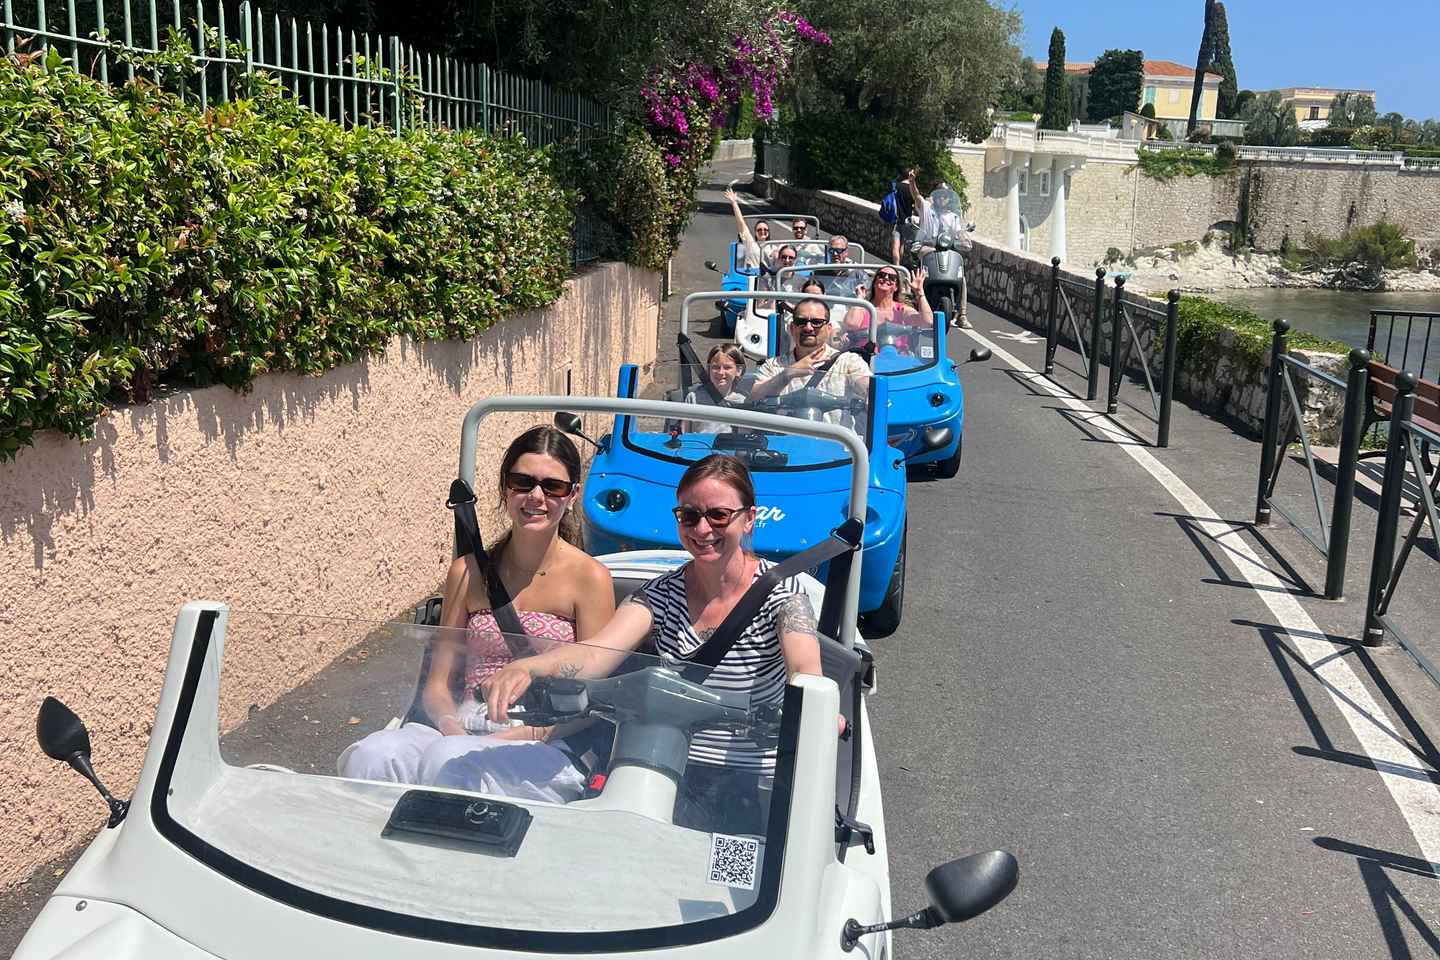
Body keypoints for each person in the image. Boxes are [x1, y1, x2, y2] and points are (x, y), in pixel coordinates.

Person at [482, 455, 825, 832]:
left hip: (748, 783)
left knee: (730, 866)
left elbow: (805, 669)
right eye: (689, 516)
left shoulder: (782, 595)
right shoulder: (660, 595)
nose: (703, 528)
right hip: (666, 771)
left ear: (749, 519)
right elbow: (597, 653)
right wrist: (529, 667)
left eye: (719, 515)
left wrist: (815, 703)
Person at [337, 426, 615, 801]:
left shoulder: (590, 578)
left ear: (573, 494)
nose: (536, 496)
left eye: (553, 487)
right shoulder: (468, 573)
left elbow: (593, 697)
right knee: (374, 755)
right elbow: (437, 684)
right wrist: (450, 724)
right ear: (505, 488)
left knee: (451, 761)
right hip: (464, 723)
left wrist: (518, 735)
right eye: (523, 482)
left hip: (545, 737)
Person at [750, 298, 871, 428]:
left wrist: (867, 392)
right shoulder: (772, 365)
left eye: (816, 322)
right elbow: (753, 400)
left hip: (834, 440)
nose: (808, 328)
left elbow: (869, 388)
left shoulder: (848, 361)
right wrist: (787, 374)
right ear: (792, 328)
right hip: (785, 440)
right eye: (801, 322)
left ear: (829, 328)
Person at [915, 182, 973, 329]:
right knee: (920, 270)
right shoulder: (928, 210)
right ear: (935, 197)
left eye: (945, 196)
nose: (942, 199)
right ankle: (916, 300)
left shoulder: (953, 217)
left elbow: (959, 232)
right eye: (940, 196)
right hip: (929, 247)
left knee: (961, 277)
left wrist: (963, 238)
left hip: (947, 249)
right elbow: (916, 197)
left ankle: (962, 315)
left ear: (949, 199)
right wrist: (912, 182)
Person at [845, 266, 933, 356]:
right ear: (874, 282)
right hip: (864, 359)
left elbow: (928, 322)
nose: (886, 278)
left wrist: (919, 293)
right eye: (881, 275)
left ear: (896, 287)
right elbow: (851, 325)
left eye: (892, 278)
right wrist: (860, 298)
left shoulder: (902, 310)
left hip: (898, 359)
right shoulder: (865, 308)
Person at [684, 344, 747, 434]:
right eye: (715, 367)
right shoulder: (694, 398)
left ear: (738, 370)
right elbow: (685, 434)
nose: (720, 372)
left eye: (727, 367)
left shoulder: (744, 401)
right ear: (709, 369)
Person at [724, 187, 768, 273]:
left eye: (765, 230)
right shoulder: (751, 244)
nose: (763, 231)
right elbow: (742, 224)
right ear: (755, 232)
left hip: (769, 279)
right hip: (753, 277)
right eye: (759, 230)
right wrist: (734, 203)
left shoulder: (773, 247)